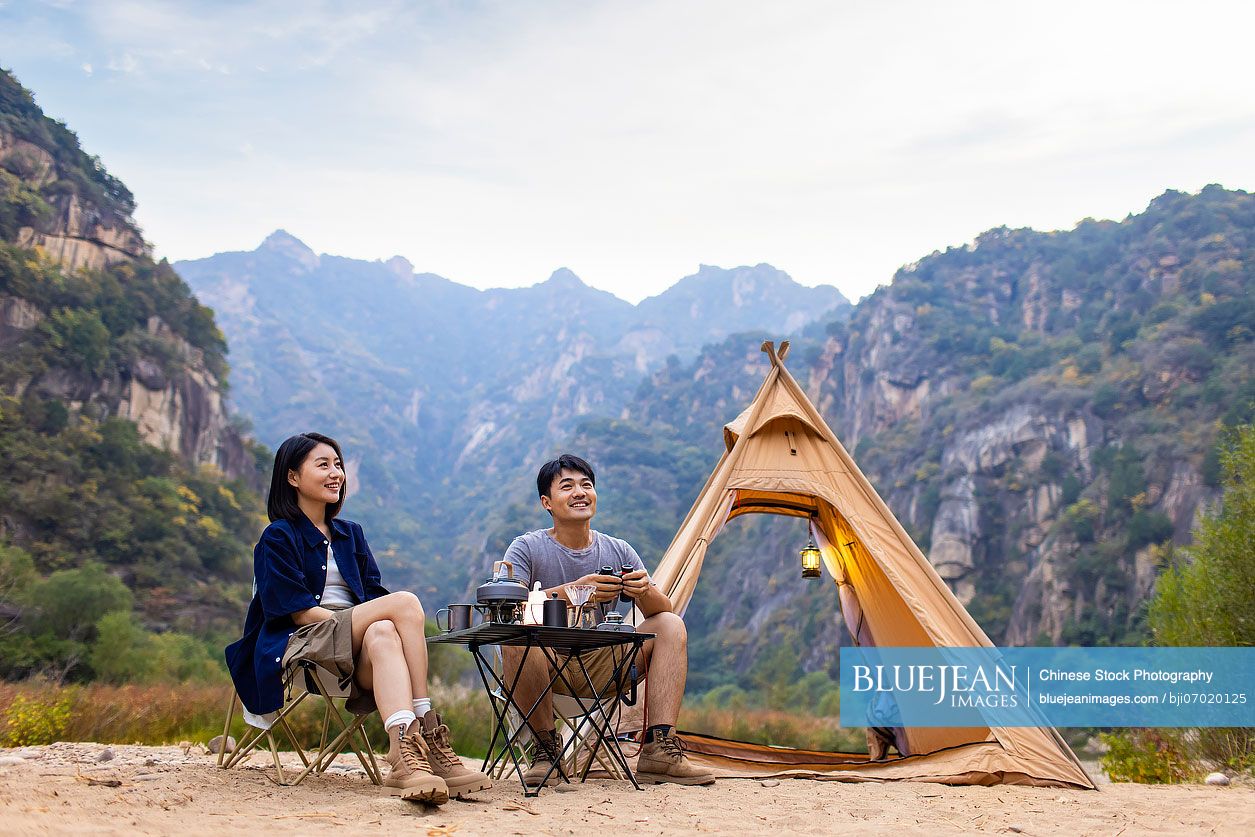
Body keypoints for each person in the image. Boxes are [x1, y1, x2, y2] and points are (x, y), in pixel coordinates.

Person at [226, 432, 490, 803]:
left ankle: (404, 756)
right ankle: (427, 727)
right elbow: (297, 611)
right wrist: (357, 619)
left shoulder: (351, 534)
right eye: (323, 465)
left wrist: (366, 620)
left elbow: (373, 596)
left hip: (356, 646)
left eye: (338, 465)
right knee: (405, 604)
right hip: (304, 642)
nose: (336, 473)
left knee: (384, 629)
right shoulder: (278, 537)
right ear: (292, 477)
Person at [500, 453, 715, 787]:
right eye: (567, 486)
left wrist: (643, 591)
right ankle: (546, 750)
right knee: (516, 635)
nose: (580, 492)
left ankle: (660, 748)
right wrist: (575, 590)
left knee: (671, 625)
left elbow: (662, 610)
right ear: (547, 502)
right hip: (543, 664)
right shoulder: (527, 548)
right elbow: (506, 608)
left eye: (587, 485)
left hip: (603, 666)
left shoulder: (617, 549)